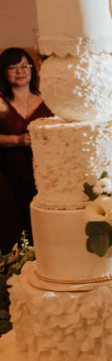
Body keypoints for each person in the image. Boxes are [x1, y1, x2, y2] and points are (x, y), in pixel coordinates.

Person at [0, 48, 52, 251]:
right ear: (4, 72)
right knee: (17, 223)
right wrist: (17, 139)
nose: (20, 71)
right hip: (10, 174)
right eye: (12, 68)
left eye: (24, 66)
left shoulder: (46, 100)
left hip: (46, 171)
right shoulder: (2, 102)